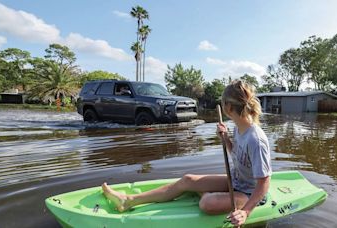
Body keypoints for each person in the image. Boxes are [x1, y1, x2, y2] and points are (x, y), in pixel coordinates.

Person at [102, 80, 272, 226]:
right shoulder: (238, 128)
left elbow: (264, 182)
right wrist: (226, 138)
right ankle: (129, 200)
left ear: (227, 107)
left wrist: (246, 212)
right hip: (234, 181)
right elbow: (236, 155)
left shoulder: (256, 139)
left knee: (207, 203)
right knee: (188, 179)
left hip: (249, 193)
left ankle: (210, 195)